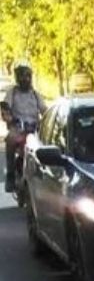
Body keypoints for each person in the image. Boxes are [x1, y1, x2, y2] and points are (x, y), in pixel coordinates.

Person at [2, 62, 46, 192]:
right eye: (22, 76)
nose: (25, 79)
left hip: (34, 129)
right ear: (17, 78)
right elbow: (5, 108)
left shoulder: (35, 94)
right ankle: (10, 175)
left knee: (48, 147)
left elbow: (44, 110)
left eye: (27, 75)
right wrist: (8, 117)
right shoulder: (12, 93)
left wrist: (47, 118)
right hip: (18, 129)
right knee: (9, 140)